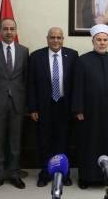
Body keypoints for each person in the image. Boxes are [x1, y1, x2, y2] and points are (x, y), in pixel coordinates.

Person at [72, 24, 108, 188]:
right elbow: (77, 86)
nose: (102, 43)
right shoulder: (82, 60)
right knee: (89, 143)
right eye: (99, 40)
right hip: (89, 111)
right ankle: (86, 177)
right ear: (93, 41)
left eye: (105, 40)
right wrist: (78, 108)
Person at [0, 19, 29, 191]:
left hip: (17, 103)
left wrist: (27, 103)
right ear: (0, 31)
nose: (9, 32)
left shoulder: (24, 51)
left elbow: (26, 78)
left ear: (16, 31)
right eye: (5, 29)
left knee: (15, 141)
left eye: (12, 29)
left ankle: (14, 173)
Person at [27, 27, 78, 187]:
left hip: (65, 106)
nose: (56, 40)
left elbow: (76, 84)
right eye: (52, 37)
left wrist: (76, 107)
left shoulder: (72, 55)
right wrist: (32, 108)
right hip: (44, 106)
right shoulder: (36, 56)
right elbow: (31, 84)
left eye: (59, 37)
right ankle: (45, 173)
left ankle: (64, 173)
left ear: (63, 39)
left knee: (64, 141)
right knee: (45, 142)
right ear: (47, 38)